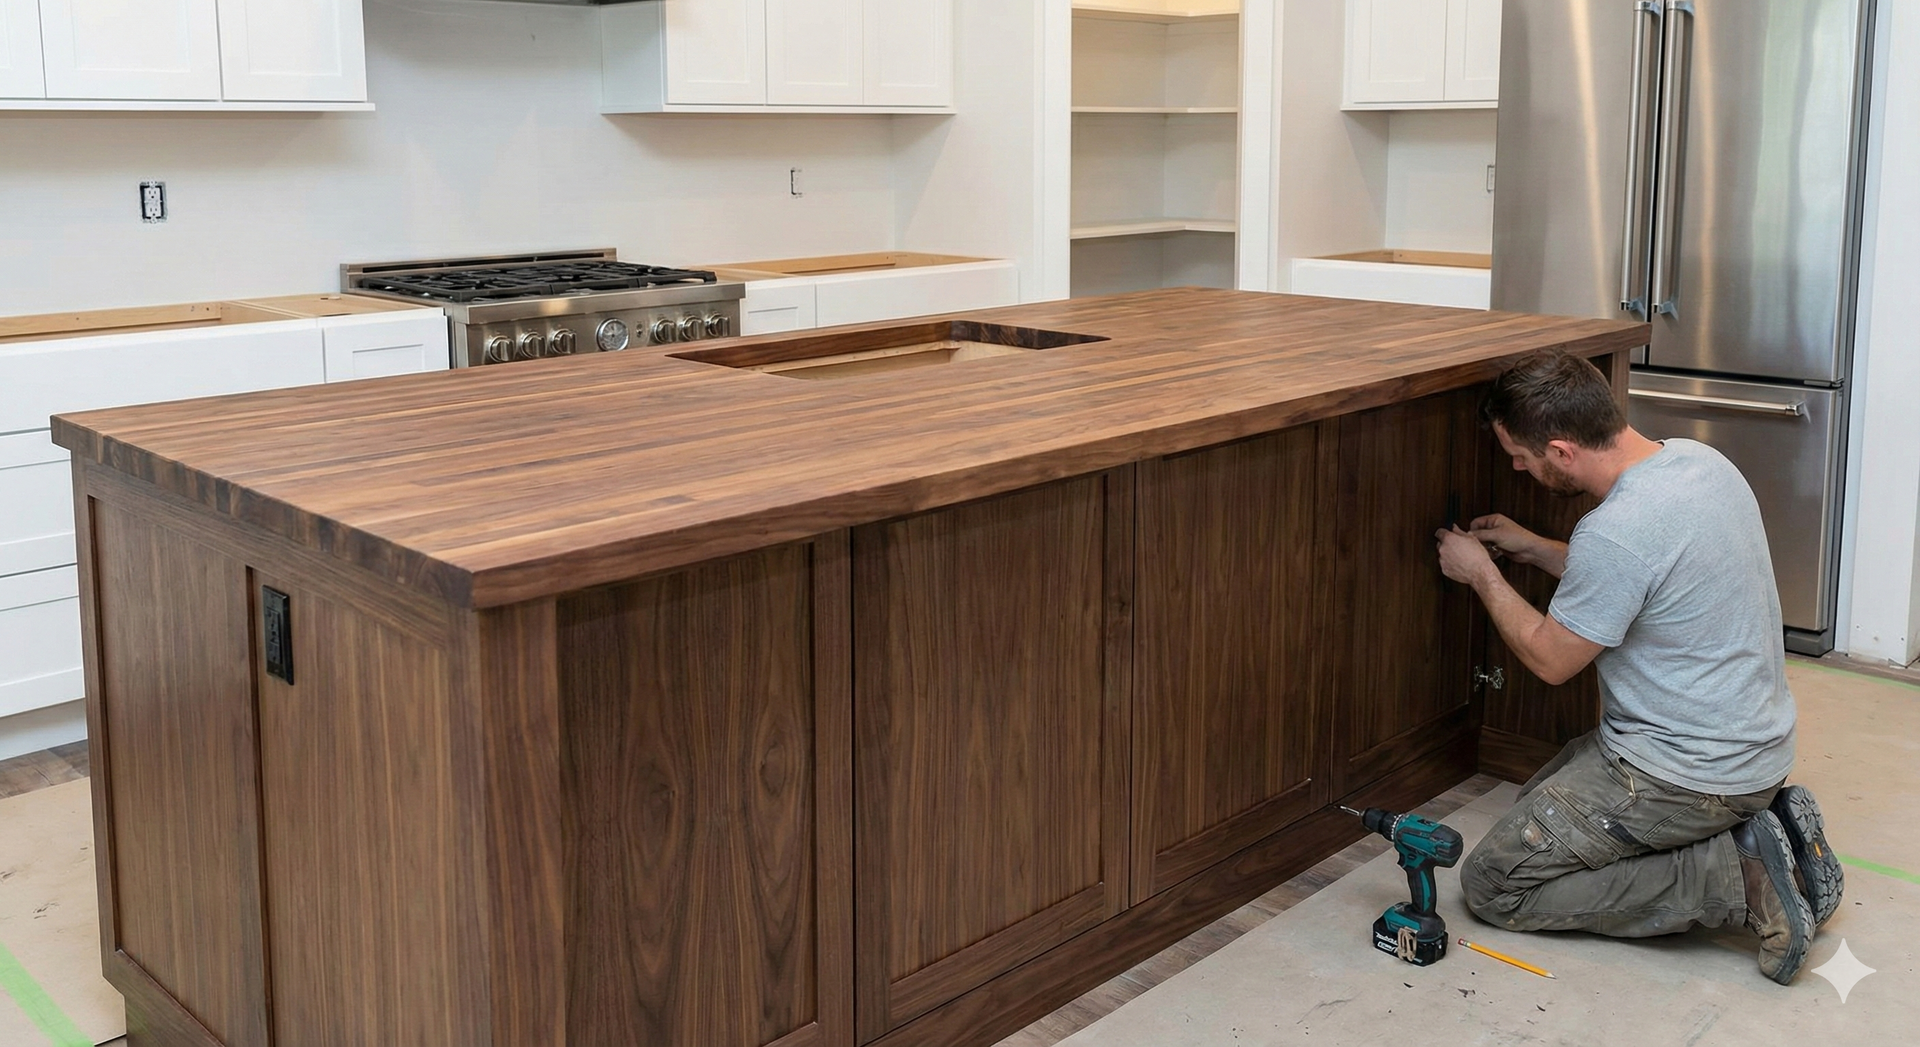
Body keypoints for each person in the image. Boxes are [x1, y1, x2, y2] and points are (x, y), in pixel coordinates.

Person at [1432, 349, 1844, 985]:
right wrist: (1537, 548)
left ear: (1564, 451)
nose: (1517, 467)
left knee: (1495, 884)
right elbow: (1643, 578)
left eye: (1522, 456)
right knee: (1533, 803)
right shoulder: (1700, 463)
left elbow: (1549, 658)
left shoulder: (1617, 530)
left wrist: (1480, 572)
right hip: (1749, 748)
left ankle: (1739, 876)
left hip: (1686, 773)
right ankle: (1767, 828)